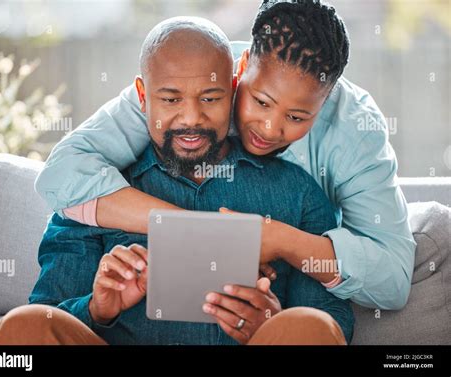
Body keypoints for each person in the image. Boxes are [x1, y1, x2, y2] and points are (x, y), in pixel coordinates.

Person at [0, 17, 354, 345]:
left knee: (311, 326)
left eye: (210, 98)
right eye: (171, 99)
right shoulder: (94, 194)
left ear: (232, 90)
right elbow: (47, 312)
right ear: (144, 97)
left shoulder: (297, 192)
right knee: (26, 326)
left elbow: (332, 322)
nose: (191, 119)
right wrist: (98, 308)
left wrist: (269, 320)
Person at [34, 0, 416, 309]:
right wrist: (206, 233)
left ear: (327, 100)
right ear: (242, 68)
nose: (269, 128)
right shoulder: (198, 76)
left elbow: (393, 282)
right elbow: (62, 173)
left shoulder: (355, 132)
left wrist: (278, 240)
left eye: (297, 117)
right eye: (261, 101)